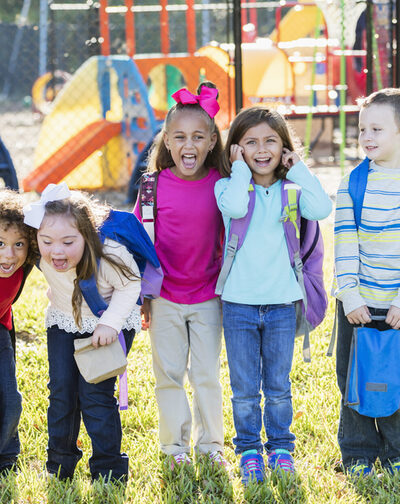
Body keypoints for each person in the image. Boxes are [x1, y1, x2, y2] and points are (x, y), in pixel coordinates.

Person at [215, 106, 332, 485]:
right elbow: (234, 207)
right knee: (245, 389)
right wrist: (238, 170)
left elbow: (322, 207)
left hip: (283, 303)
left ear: (284, 148)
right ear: (236, 149)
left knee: (279, 386)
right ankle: (249, 450)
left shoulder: (292, 190)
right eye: (250, 142)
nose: (261, 149)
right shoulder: (228, 186)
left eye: (271, 141)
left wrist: (297, 168)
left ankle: (281, 447)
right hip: (238, 305)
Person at [332, 88, 400, 476]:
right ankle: (357, 453)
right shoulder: (352, 184)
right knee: (353, 382)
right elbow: (344, 242)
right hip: (357, 304)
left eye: (377, 129)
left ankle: (396, 452)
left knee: (393, 381)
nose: (366, 137)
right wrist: (350, 296)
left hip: (398, 306)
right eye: (363, 129)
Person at [134, 82, 226, 467]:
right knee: (169, 375)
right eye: (180, 137)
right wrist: (142, 297)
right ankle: (174, 449)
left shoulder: (224, 186)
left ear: (211, 141)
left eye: (198, 137)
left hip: (209, 297)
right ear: (167, 142)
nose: (189, 145)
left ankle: (211, 448)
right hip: (165, 298)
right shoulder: (153, 187)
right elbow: (138, 243)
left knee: (206, 375)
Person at [23, 183, 141, 483]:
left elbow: (131, 286)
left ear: (86, 234)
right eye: (47, 241)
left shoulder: (109, 252)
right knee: (61, 393)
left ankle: (109, 469)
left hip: (107, 323)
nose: (56, 251)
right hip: (64, 321)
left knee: (95, 396)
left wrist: (110, 323)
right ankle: (60, 466)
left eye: (67, 242)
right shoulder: (40, 249)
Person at [0, 190, 37, 477]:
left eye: (18, 244)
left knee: (10, 400)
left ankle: (7, 456)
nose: (8, 254)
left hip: (2, 328)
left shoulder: (24, 265)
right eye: (0, 243)